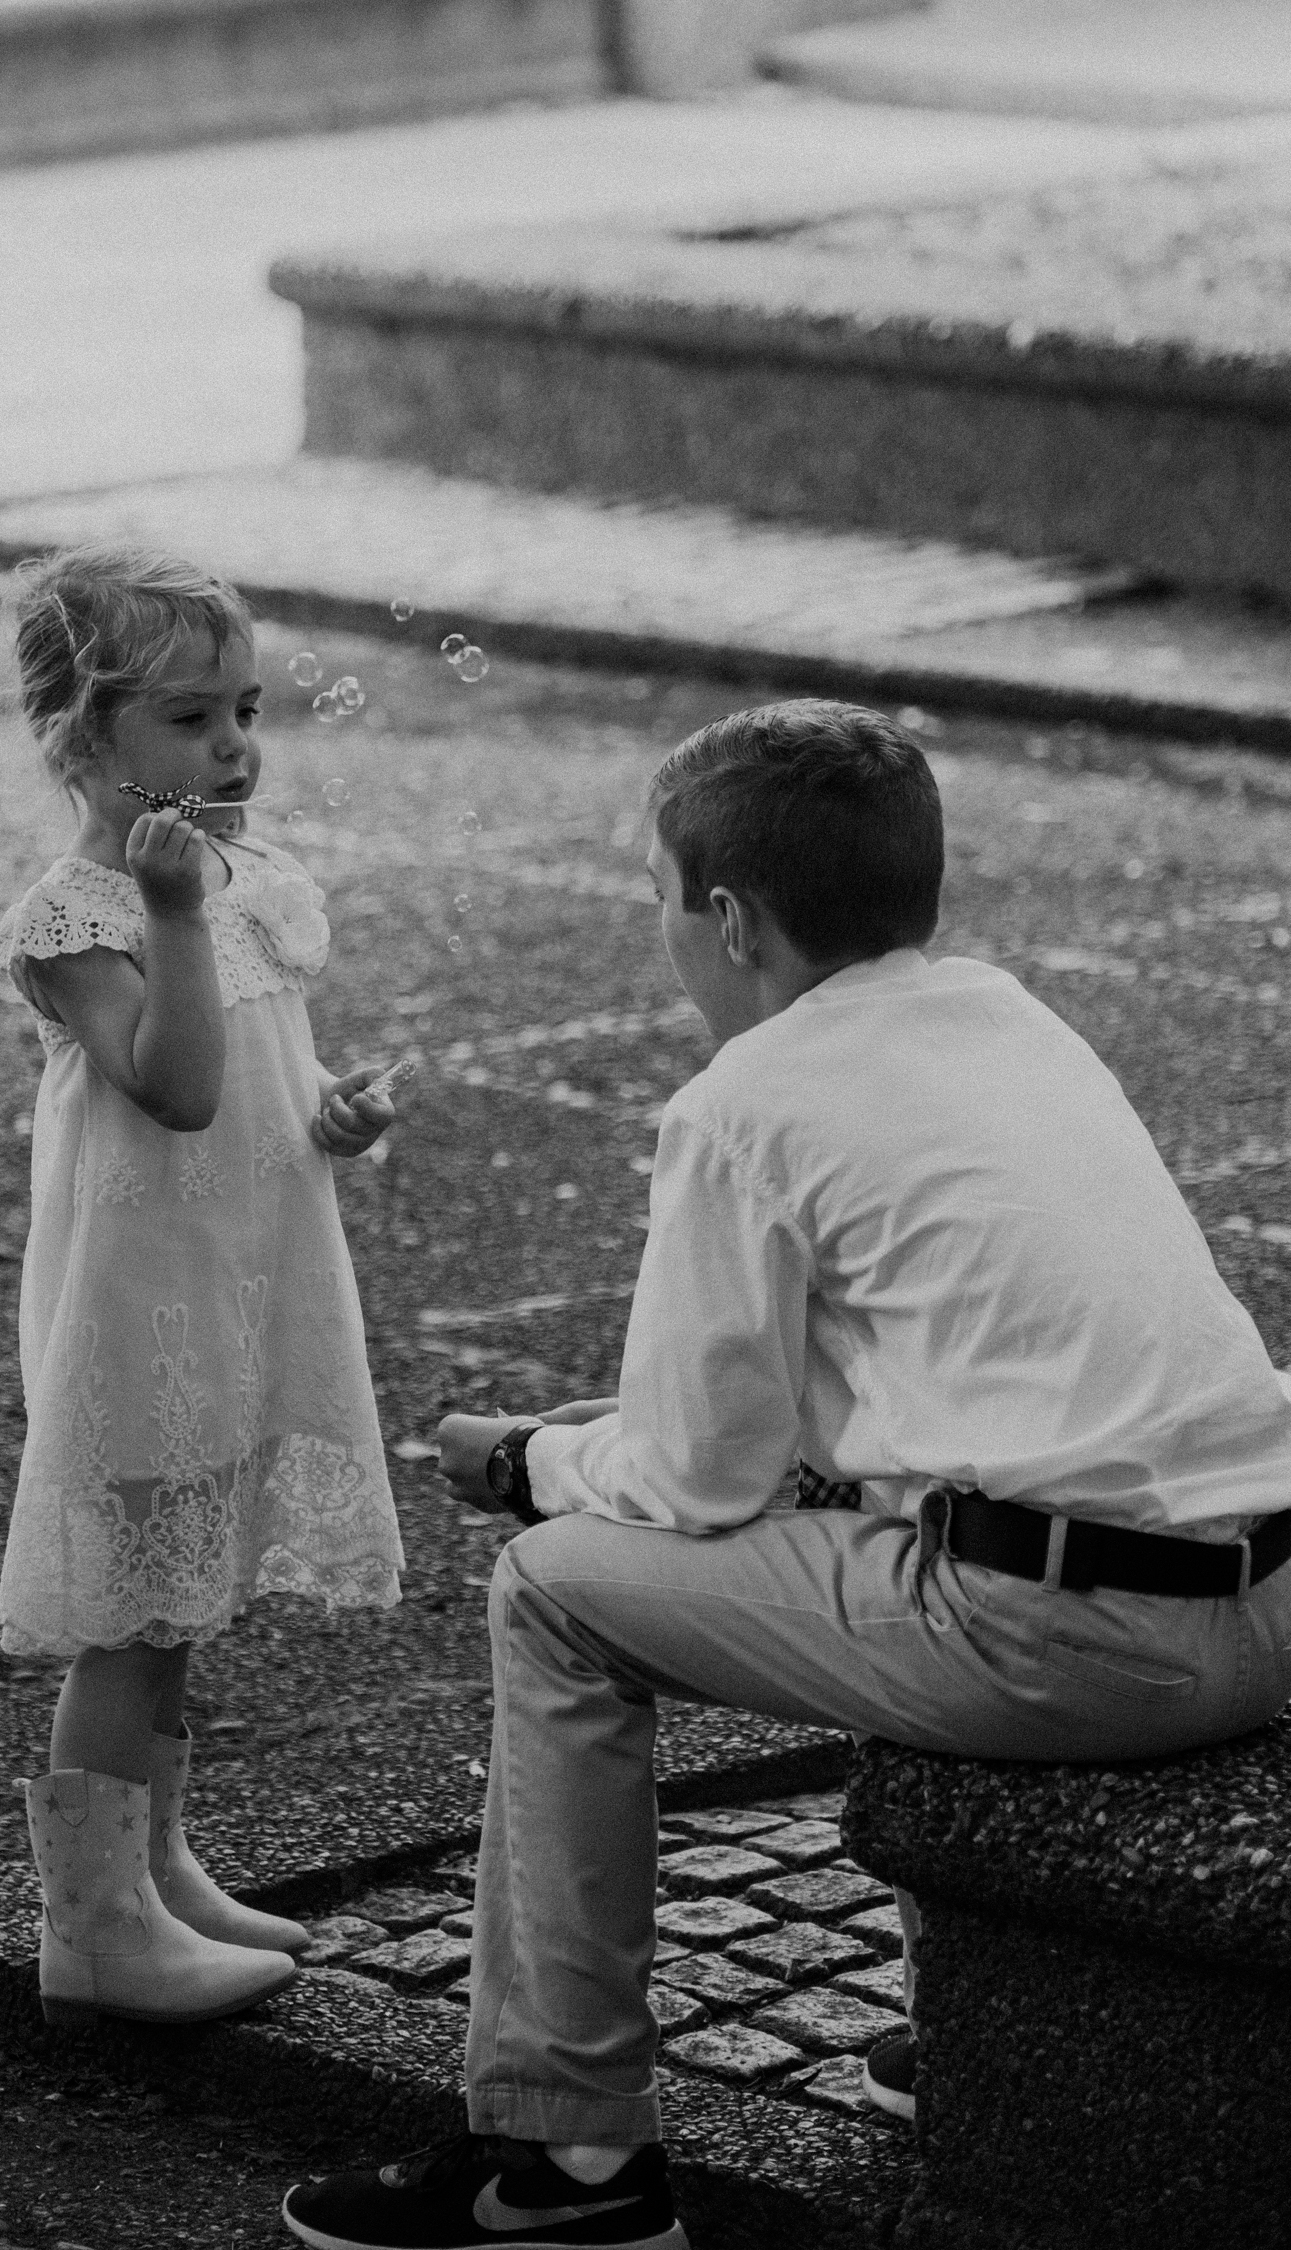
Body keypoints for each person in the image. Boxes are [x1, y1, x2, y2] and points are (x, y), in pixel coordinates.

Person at [281, 699, 1291, 2250]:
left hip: (1083, 1647)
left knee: (554, 1591)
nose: (661, 928)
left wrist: (541, 1462)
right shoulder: (1010, 1016)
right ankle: (963, 2032)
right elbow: (865, 1418)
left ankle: (565, 2165)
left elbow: (690, 1481)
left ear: (732, 917)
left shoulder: (747, 1103)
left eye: (658, 892)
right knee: (904, 1512)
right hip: (1267, 1606)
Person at [0, 545, 405, 2029]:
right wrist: (169, 915)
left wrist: (330, 1112)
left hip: (243, 1271)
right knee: (129, 1606)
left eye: (246, 710)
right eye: (189, 719)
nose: (235, 747)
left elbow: (253, 1082)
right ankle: (90, 1925)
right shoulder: (82, 919)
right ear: (82, 738)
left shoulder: (247, 881)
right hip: (139, 1302)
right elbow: (170, 1086)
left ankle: (157, 1864)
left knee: (185, 1596)